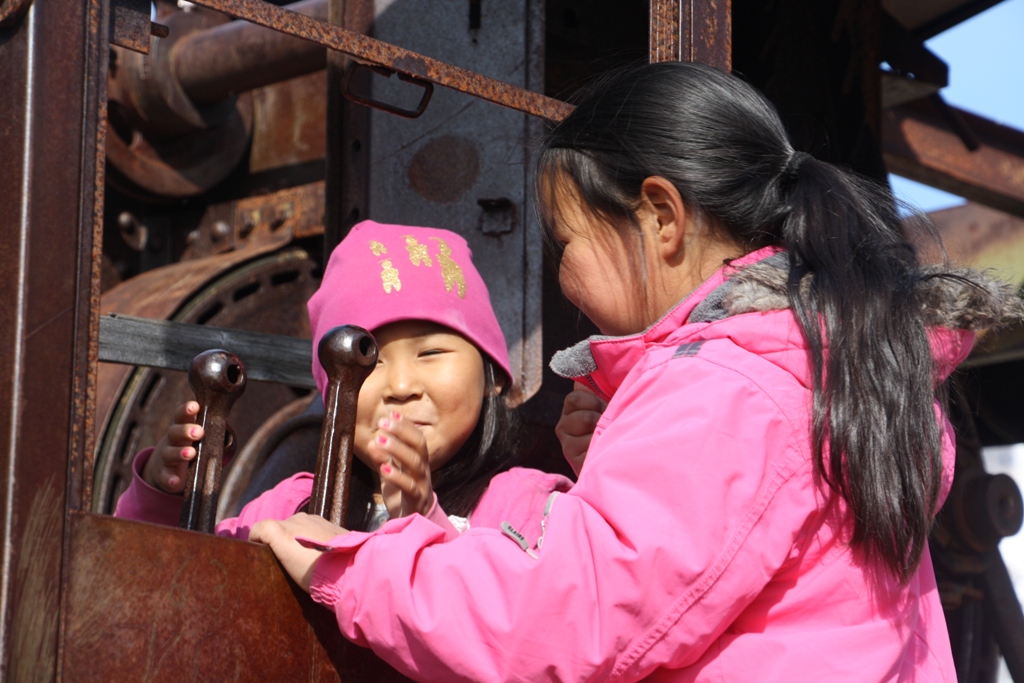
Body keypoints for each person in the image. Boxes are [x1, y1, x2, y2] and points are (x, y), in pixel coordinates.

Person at [252, 62, 1019, 682]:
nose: (563, 281)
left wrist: (356, 568)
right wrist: (617, 460)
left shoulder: (725, 383)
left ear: (659, 216)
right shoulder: (815, 361)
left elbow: (569, 613)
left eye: (565, 244)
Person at [115, 220, 572, 540]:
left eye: (431, 353)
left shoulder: (529, 509)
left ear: (492, 376)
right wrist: (163, 500)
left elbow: (510, 635)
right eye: (367, 364)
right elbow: (193, 585)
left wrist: (423, 522)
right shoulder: (290, 508)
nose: (401, 385)